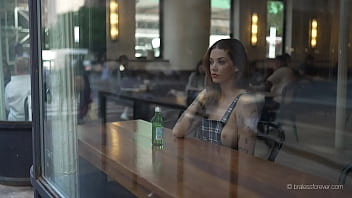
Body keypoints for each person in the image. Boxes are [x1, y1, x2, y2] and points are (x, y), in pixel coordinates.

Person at [172, 39, 259, 155]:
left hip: (227, 171)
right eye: (211, 62)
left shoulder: (244, 102)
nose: (213, 67)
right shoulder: (209, 96)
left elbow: (247, 159)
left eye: (221, 62)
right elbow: (178, 131)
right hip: (203, 166)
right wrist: (202, 97)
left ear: (237, 66)